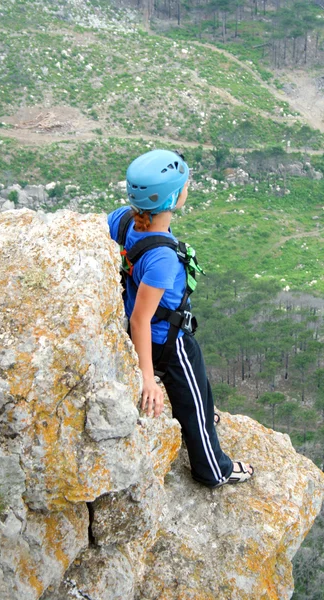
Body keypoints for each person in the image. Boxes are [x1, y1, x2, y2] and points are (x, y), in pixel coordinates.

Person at [108, 149, 254, 488]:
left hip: (160, 332)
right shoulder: (162, 258)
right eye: (184, 183)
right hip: (165, 341)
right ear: (173, 198)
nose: (188, 185)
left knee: (198, 376)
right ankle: (213, 469)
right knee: (190, 383)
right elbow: (140, 321)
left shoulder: (122, 219)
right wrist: (147, 377)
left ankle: (204, 413)